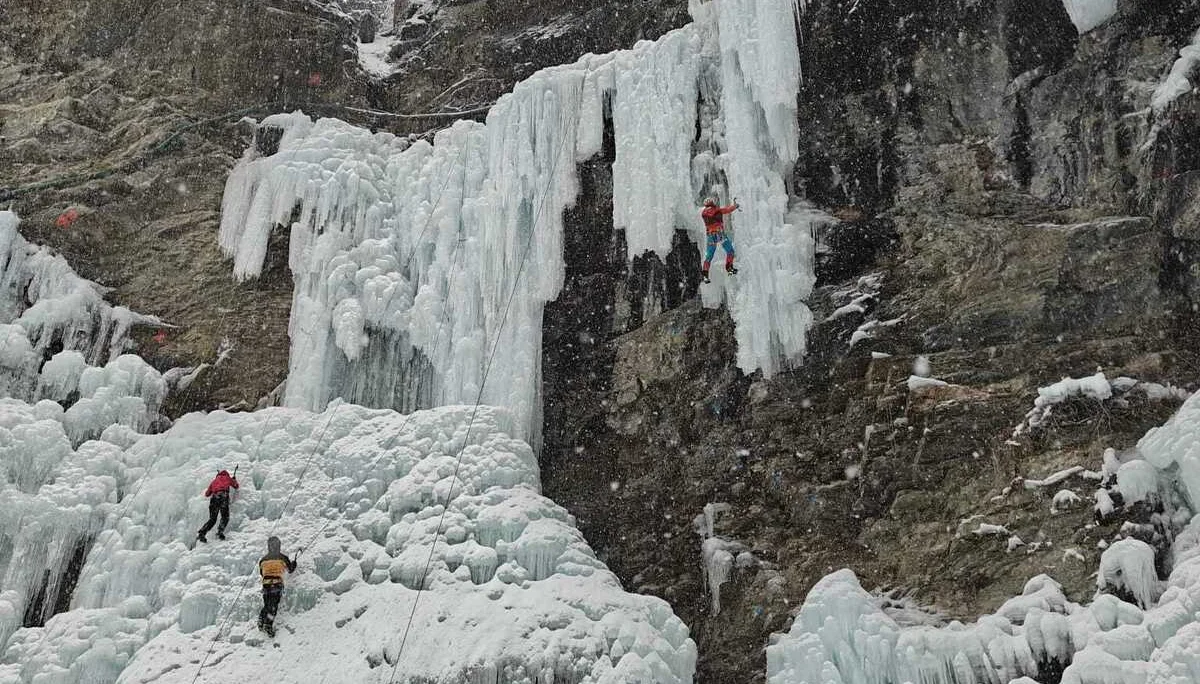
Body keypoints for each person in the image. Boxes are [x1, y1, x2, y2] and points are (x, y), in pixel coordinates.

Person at [258, 536, 299, 637]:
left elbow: (261, 573)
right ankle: (268, 624)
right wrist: (294, 563)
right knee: (273, 605)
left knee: (267, 604)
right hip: (276, 584)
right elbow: (290, 569)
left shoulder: (263, 560)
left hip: (266, 584)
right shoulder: (282, 557)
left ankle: (261, 619)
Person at [700, 197, 739, 283]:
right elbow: (727, 210)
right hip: (719, 234)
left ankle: (705, 275)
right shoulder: (716, 210)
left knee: (709, 256)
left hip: (710, 235)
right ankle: (729, 268)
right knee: (730, 251)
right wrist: (735, 206)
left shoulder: (703, 213)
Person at [197, 469, 239, 542]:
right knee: (225, 516)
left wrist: (215, 488)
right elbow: (236, 485)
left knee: (212, 519)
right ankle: (220, 532)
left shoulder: (214, 481)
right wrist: (233, 480)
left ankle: (202, 533)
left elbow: (207, 494)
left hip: (214, 499)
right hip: (223, 497)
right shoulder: (227, 478)